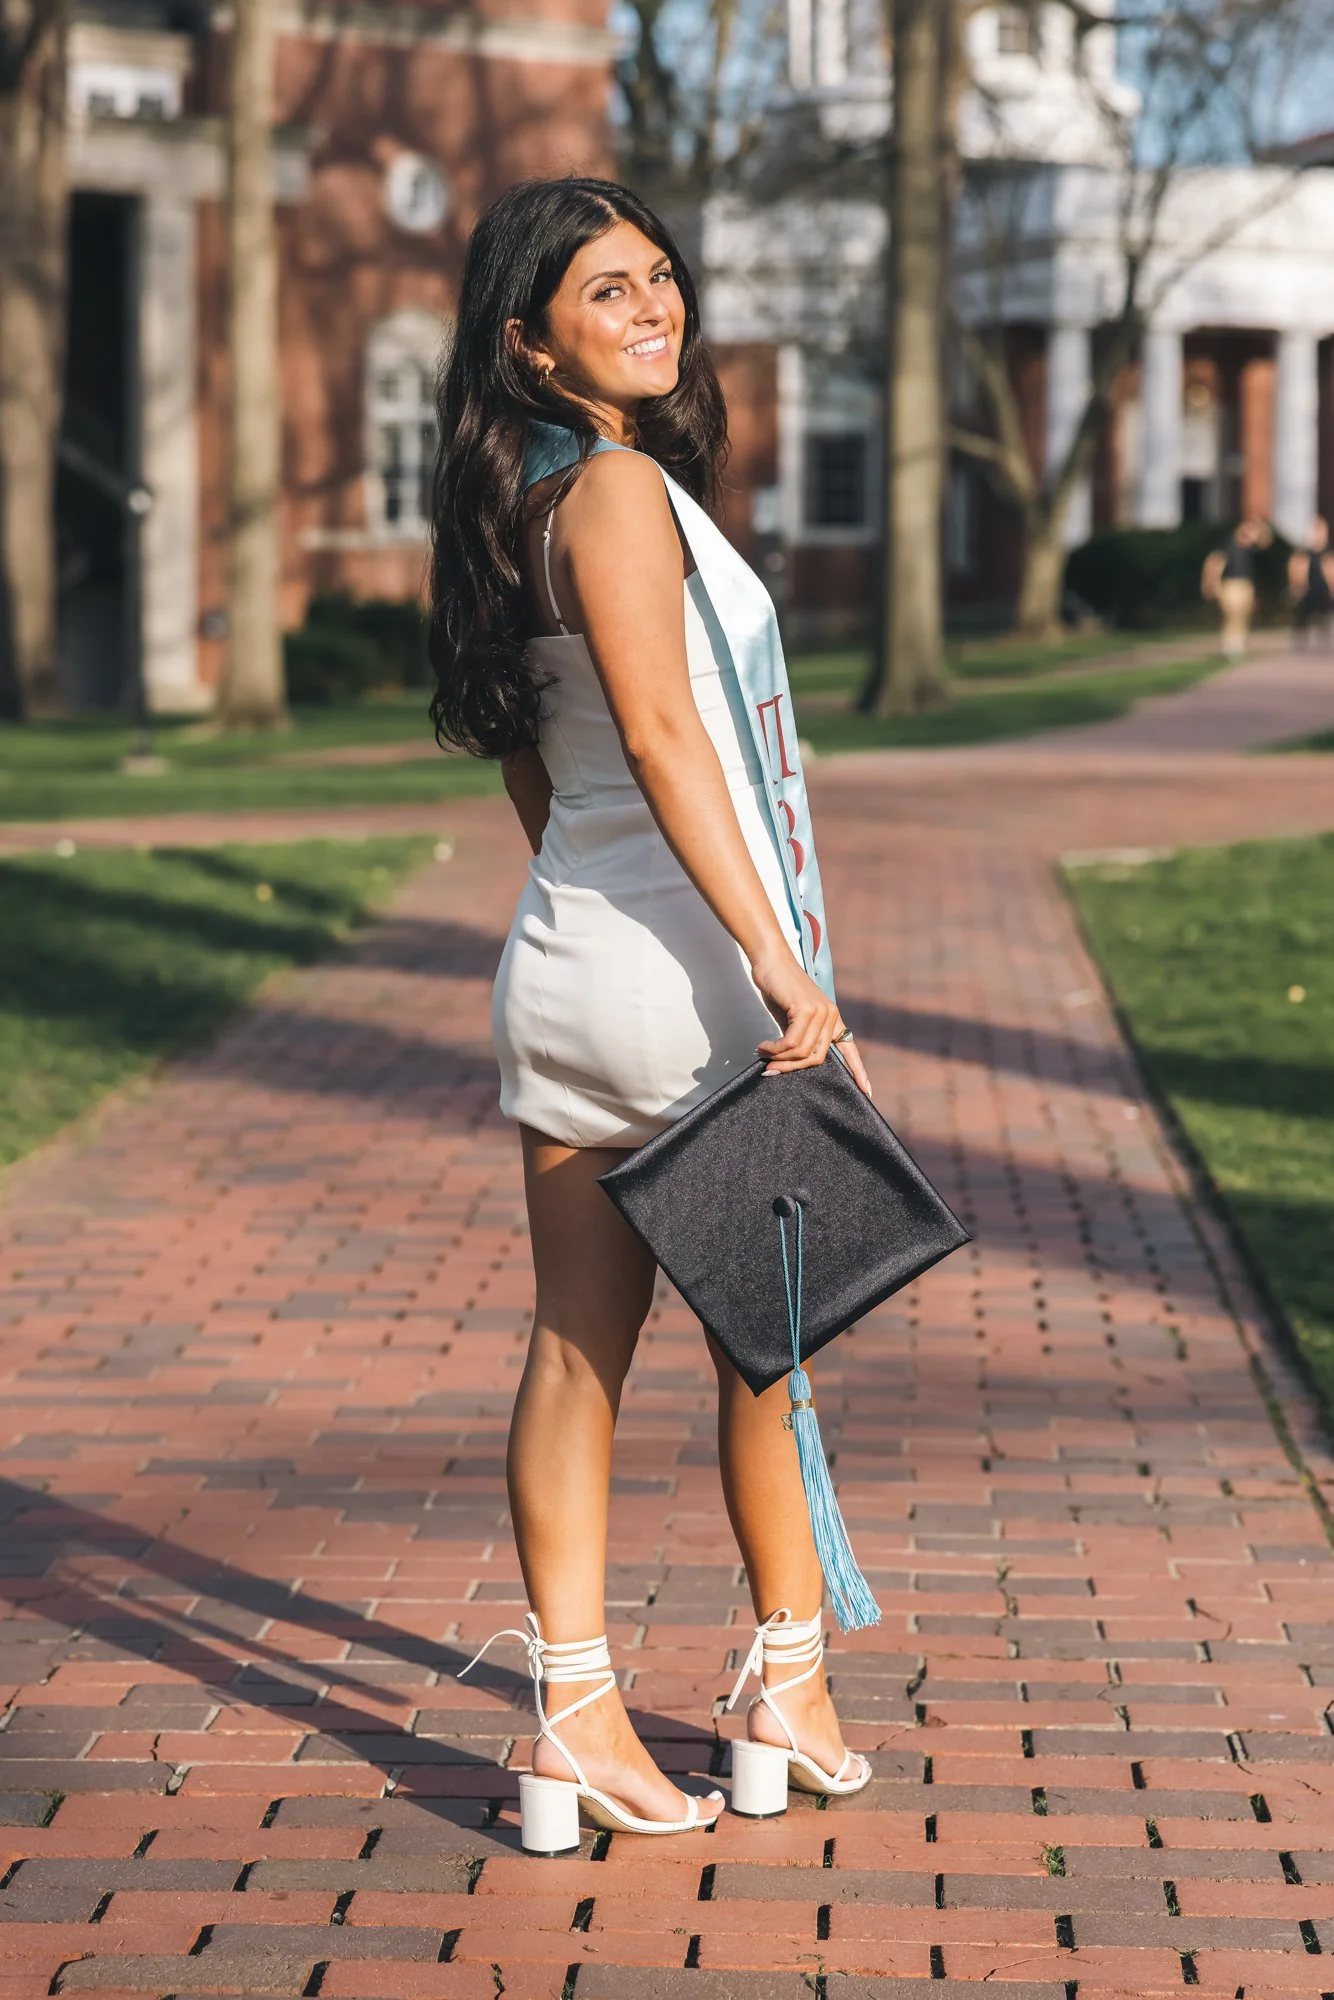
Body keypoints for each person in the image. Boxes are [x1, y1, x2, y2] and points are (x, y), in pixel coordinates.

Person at [428, 178, 876, 1844]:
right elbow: (671, 738)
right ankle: (783, 1684)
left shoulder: (510, 506)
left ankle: (572, 1716)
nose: (651, 304)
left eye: (657, 275)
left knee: (573, 1351)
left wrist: (597, 901)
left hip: (567, 958)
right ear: (528, 340)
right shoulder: (616, 490)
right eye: (604, 289)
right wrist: (775, 958)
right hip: (689, 976)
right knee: (767, 1352)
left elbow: (535, 770)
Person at [1201, 517, 1268, 658]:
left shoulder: (1249, 548)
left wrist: (1258, 529)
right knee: (1233, 614)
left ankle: (1238, 643)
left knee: (1243, 615)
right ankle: (1230, 646)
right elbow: (1214, 562)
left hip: (1246, 584)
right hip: (1231, 584)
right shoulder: (1229, 544)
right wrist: (1213, 583)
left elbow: (1265, 542)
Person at [1288, 515, 1334, 646]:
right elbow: (1294, 570)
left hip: (1323, 590)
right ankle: (1300, 641)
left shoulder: (1328, 553)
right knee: (1301, 617)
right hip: (1307, 590)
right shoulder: (1303, 553)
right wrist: (1295, 587)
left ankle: (1323, 639)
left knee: (1325, 617)